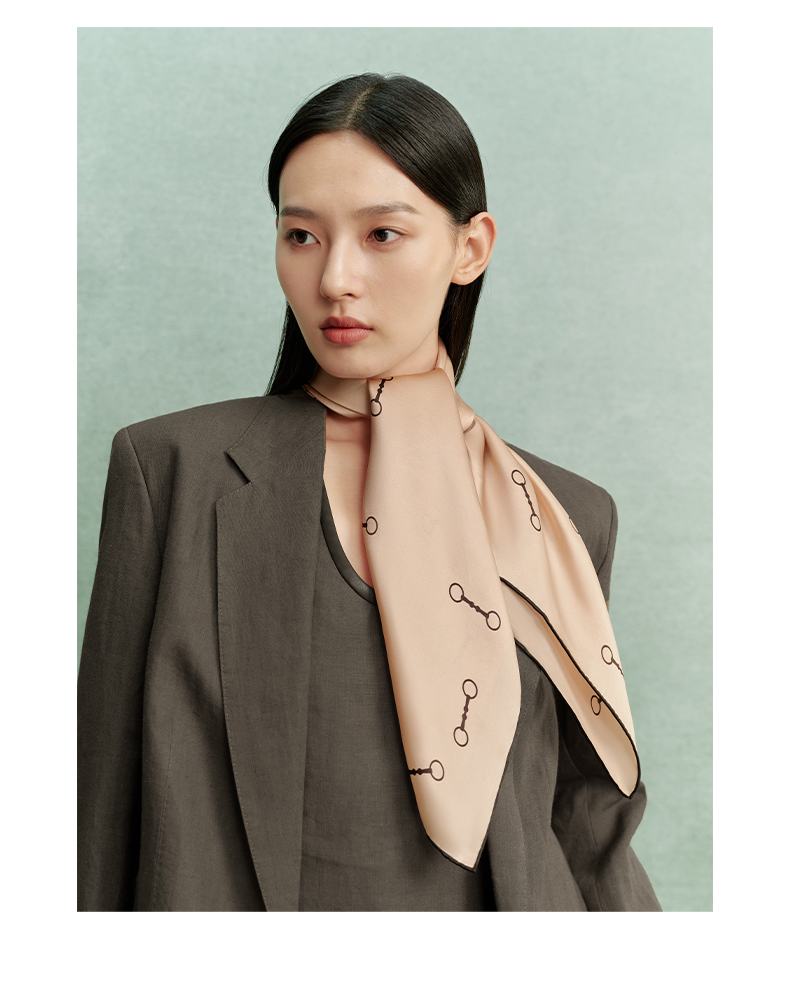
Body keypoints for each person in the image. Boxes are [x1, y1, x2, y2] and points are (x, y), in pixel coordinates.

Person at [77, 72, 661, 912]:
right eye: (302, 236)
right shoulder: (171, 472)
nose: (336, 278)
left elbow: (589, 827)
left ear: (470, 248)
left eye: (383, 234)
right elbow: (98, 820)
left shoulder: (565, 516)